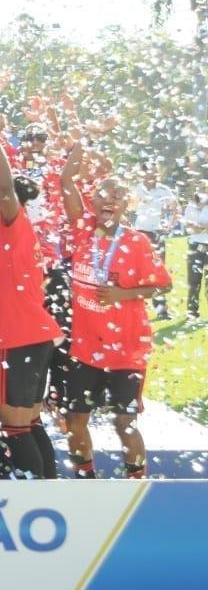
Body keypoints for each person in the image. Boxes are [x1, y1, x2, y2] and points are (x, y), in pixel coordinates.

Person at [60, 143, 172, 479]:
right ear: (92, 202)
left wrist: (124, 294)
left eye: (116, 198)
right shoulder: (82, 229)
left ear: (126, 205)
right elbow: (66, 183)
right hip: (85, 349)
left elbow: (161, 285)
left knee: (124, 422)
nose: (108, 202)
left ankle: (135, 486)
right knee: (75, 420)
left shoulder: (137, 242)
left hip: (126, 350)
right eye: (102, 196)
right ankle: (86, 481)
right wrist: (79, 146)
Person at [0, 117, 63, 479]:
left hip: (19, 340)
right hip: (34, 338)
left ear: (0, 204)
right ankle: (51, 492)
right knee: (28, 420)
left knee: (12, 425)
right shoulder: (5, 234)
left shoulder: (14, 223)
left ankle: (35, 501)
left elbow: (5, 185)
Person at [130, 161, 179, 319]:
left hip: (157, 233)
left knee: (158, 270)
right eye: (148, 171)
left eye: (154, 171)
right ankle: (135, 308)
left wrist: (169, 225)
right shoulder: (137, 190)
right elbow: (128, 208)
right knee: (137, 270)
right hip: (140, 233)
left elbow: (175, 208)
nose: (152, 174)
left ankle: (161, 310)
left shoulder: (164, 190)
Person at [185, 185, 208, 319]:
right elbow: (190, 225)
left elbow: (197, 226)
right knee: (194, 279)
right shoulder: (190, 207)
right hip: (195, 244)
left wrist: (200, 226)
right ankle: (192, 311)